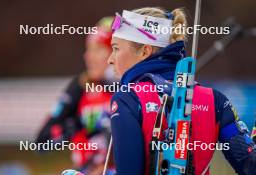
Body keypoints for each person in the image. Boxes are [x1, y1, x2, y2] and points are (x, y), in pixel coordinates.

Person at [107, 7, 256, 175]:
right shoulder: (215, 99)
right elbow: (250, 165)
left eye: (116, 48)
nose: (110, 59)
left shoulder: (128, 99)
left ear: (144, 51)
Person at [35, 16, 115, 175]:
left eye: (98, 50)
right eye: (88, 49)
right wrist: (73, 126)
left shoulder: (132, 86)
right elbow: (41, 143)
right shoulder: (80, 87)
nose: (88, 57)